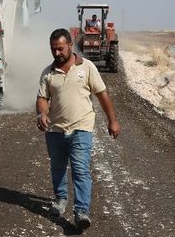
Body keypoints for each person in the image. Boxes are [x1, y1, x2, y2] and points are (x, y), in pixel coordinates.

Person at [36, 28, 120, 230]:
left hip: (81, 128)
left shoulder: (87, 67)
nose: (57, 53)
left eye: (60, 49)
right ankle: (61, 199)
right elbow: (42, 98)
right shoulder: (47, 73)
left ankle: (81, 211)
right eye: (53, 49)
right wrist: (42, 114)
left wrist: (112, 120)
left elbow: (102, 93)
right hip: (55, 130)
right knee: (57, 167)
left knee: (80, 170)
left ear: (70, 46)